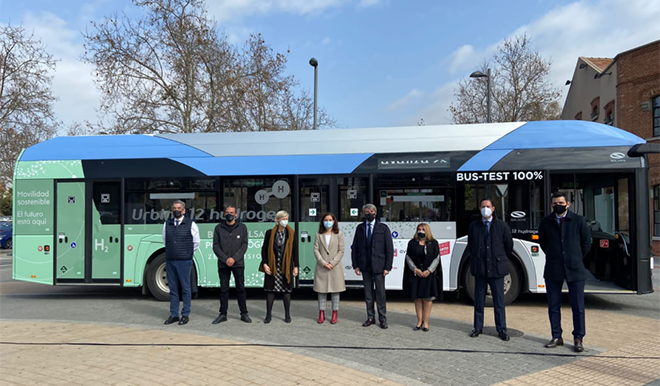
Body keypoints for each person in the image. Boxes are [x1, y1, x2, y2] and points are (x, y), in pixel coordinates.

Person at [538, 191, 591, 353]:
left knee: (578, 306)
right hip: (554, 268)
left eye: (561, 202)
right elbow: (543, 243)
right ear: (551, 205)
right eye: (554, 203)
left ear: (567, 204)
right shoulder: (546, 222)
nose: (558, 205)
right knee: (553, 305)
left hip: (575, 269)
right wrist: (555, 255)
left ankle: (578, 338)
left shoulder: (579, 220)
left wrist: (575, 257)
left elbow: (586, 243)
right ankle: (556, 336)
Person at [467, 198, 513, 341]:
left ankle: (501, 329)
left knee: (499, 301)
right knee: (479, 300)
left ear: (493, 208)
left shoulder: (502, 226)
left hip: (497, 268)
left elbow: (509, 246)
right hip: (480, 268)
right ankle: (477, 327)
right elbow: (471, 246)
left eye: (487, 206)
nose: (485, 208)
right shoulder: (474, 226)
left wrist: (498, 257)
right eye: (482, 206)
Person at [351, 204, 394, 329]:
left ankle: (382, 318)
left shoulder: (383, 228)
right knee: (368, 293)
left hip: (379, 266)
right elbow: (355, 248)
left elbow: (389, 249)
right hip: (365, 265)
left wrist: (388, 267)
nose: (369, 213)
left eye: (371, 211)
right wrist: (356, 265)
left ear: (375, 213)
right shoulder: (360, 228)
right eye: (366, 212)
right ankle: (370, 317)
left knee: (380, 293)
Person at [162, 200, 200, 326]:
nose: (176, 210)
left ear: (184, 211)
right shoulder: (167, 224)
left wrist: (187, 253)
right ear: (171, 210)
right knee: (173, 288)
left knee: (185, 288)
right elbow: (165, 241)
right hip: (171, 260)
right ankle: (174, 314)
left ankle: (185, 314)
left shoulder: (191, 224)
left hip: (184, 260)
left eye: (179, 208)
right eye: (174, 208)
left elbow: (196, 243)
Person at [212, 205, 251, 324]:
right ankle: (223, 314)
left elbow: (244, 245)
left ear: (236, 214)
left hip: (238, 263)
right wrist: (225, 259)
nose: (230, 214)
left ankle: (244, 313)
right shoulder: (218, 228)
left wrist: (234, 259)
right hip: (223, 264)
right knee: (224, 289)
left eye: (232, 212)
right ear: (224, 214)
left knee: (240, 289)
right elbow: (215, 246)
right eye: (227, 212)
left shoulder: (242, 227)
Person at [260, 210, 299, 323]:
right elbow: (264, 250)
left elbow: (295, 251)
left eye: (286, 219)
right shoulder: (269, 233)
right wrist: (265, 263)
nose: (285, 221)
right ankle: (268, 315)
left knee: (286, 290)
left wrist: (296, 266)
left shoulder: (291, 233)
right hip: (273, 265)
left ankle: (287, 314)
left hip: (286, 266)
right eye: (283, 219)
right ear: (277, 220)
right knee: (270, 290)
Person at [402, 223, 442, 332]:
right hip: (416, 274)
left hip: (428, 275)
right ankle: (419, 321)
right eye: (419, 229)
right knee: (417, 298)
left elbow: (437, 258)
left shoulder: (433, 243)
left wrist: (429, 270)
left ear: (427, 231)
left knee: (427, 298)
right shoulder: (412, 243)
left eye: (423, 229)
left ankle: (426, 322)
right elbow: (408, 257)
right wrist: (415, 269)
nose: (421, 231)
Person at [313, 213, 346, 324]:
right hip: (322, 268)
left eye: (330, 220)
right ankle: (321, 313)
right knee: (321, 291)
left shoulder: (339, 234)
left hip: (334, 268)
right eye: (326, 220)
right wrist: (323, 263)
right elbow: (316, 250)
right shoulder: (318, 234)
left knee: (335, 292)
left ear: (334, 221)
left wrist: (332, 263)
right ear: (322, 222)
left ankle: (334, 314)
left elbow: (341, 250)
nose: (328, 222)